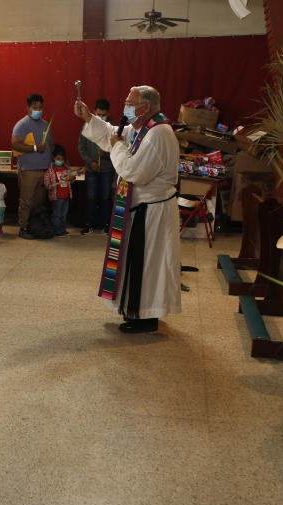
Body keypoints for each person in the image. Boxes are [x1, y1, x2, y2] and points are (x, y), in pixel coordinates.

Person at [73, 86, 181, 333]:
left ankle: (146, 316)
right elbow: (113, 132)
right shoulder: (143, 127)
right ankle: (136, 310)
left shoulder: (159, 133)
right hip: (140, 210)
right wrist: (89, 118)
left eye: (129, 103)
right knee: (136, 263)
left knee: (148, 265)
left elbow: (135, 172)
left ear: (145, 107)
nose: (125, 107)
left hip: (152, 213)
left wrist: (117, 146)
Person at [12, 93, 53, 239]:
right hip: (28, 171)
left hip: (43, 170)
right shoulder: (22, 124)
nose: (38, 110)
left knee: (38, 202)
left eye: (40, 108)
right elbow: (15, 143)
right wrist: (35, 148)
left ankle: (35, 226)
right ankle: (23, 228)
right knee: (26, 201)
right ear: (28, 108)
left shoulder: (45, 124)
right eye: (35, 108)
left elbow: (50, 146)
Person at [78, 98, 116, 235]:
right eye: (98, 114)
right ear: (94, 112)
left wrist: (105, 155)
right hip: (91, 169)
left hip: (106, 170)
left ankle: (107, 225)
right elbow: (81, 147)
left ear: (108, 113)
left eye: (103, 115)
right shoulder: (87, 125)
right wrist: (90, 162)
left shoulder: (113, 127)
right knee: (91, 197)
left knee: (106, 198)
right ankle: (88, 225)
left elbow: (118, 151)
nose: (101, 117)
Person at [43, 144, 76, 237]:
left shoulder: (66, 169)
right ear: (54, 158)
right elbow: (46, 179)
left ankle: (62, 229)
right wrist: (48, 185)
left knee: (63, 214)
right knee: (56, 214)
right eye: (58, 158)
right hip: (57, 196)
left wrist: (72, 178)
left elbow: (71, 180)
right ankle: (56, 230)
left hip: (66, 196)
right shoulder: (51, 170)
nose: (60, 161)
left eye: (62, 159)